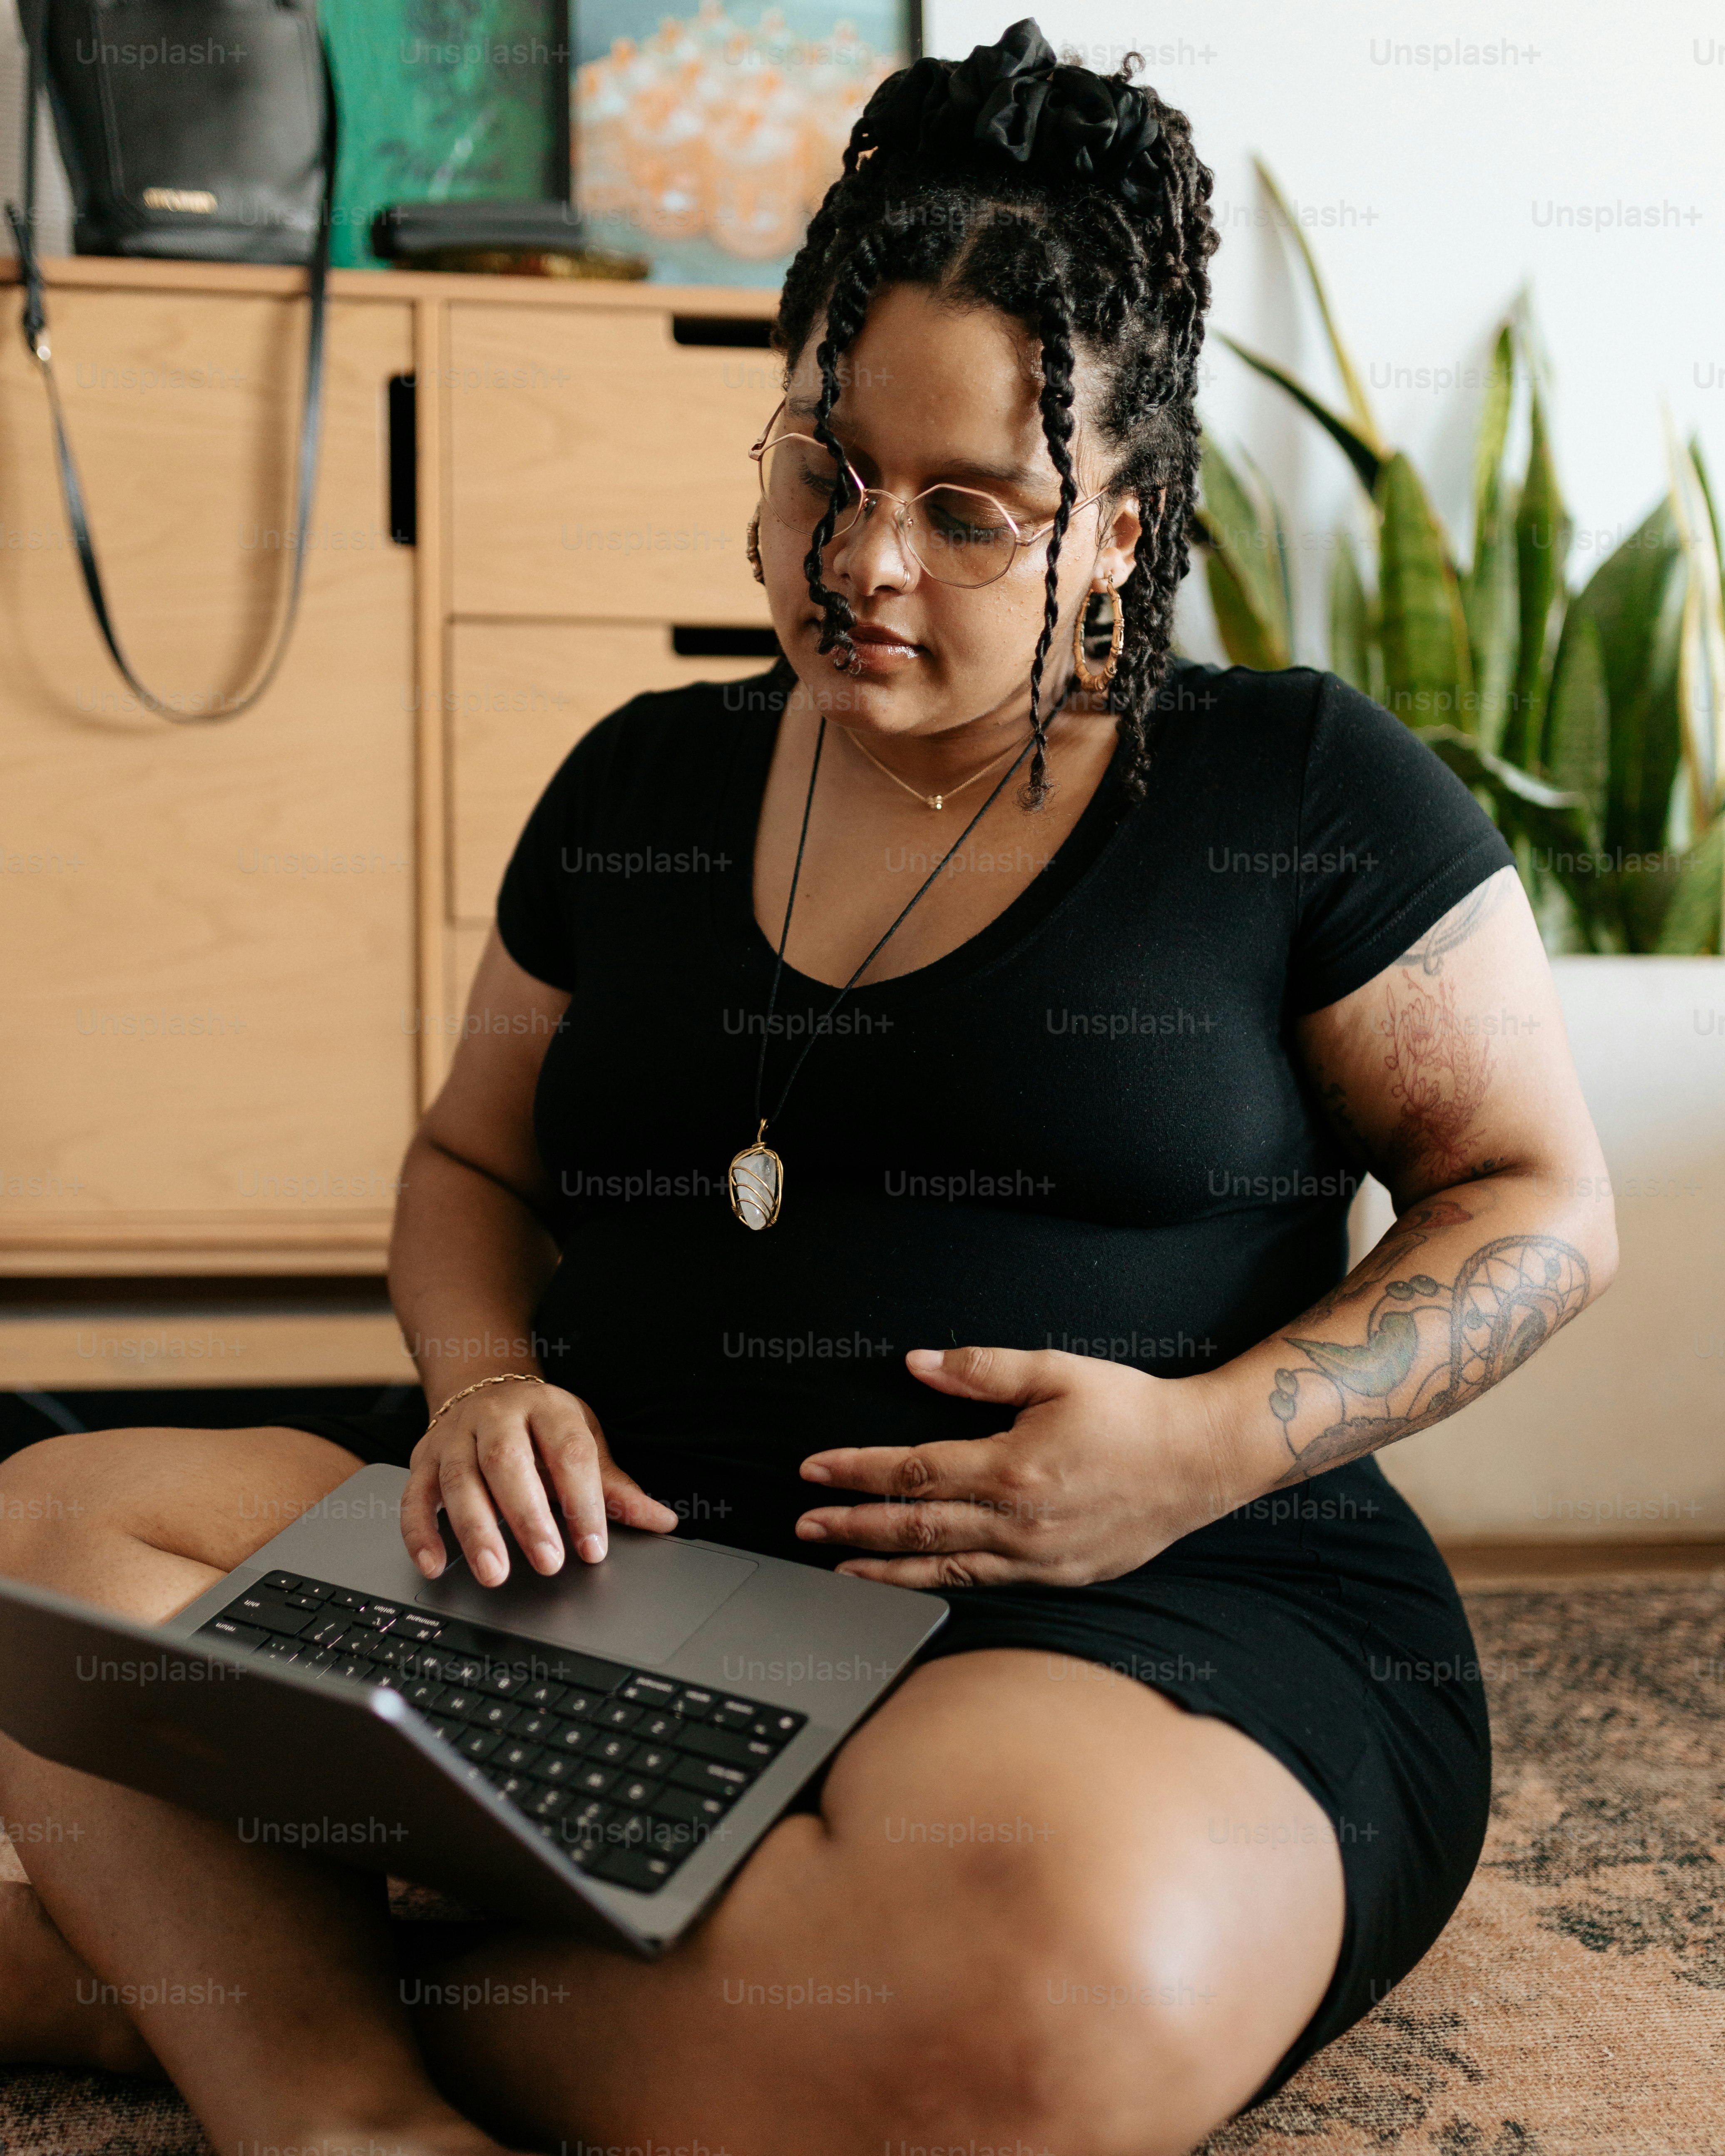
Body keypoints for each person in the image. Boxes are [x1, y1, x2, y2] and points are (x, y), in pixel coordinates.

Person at [0, 21, 1616, 2156]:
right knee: (50, 1546)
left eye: (972, 513)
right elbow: (472, 1156)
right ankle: (334, 2102)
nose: (865, 564)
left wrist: (1198, 1444)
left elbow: (1538, 1206)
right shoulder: (639, 783)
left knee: (1048, 1984)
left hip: (1121, 1614)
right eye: (829, 469)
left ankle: (165, 1969)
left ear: (1119, 530)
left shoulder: (1295, 788)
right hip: (617, 1571)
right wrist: (483, 1382)